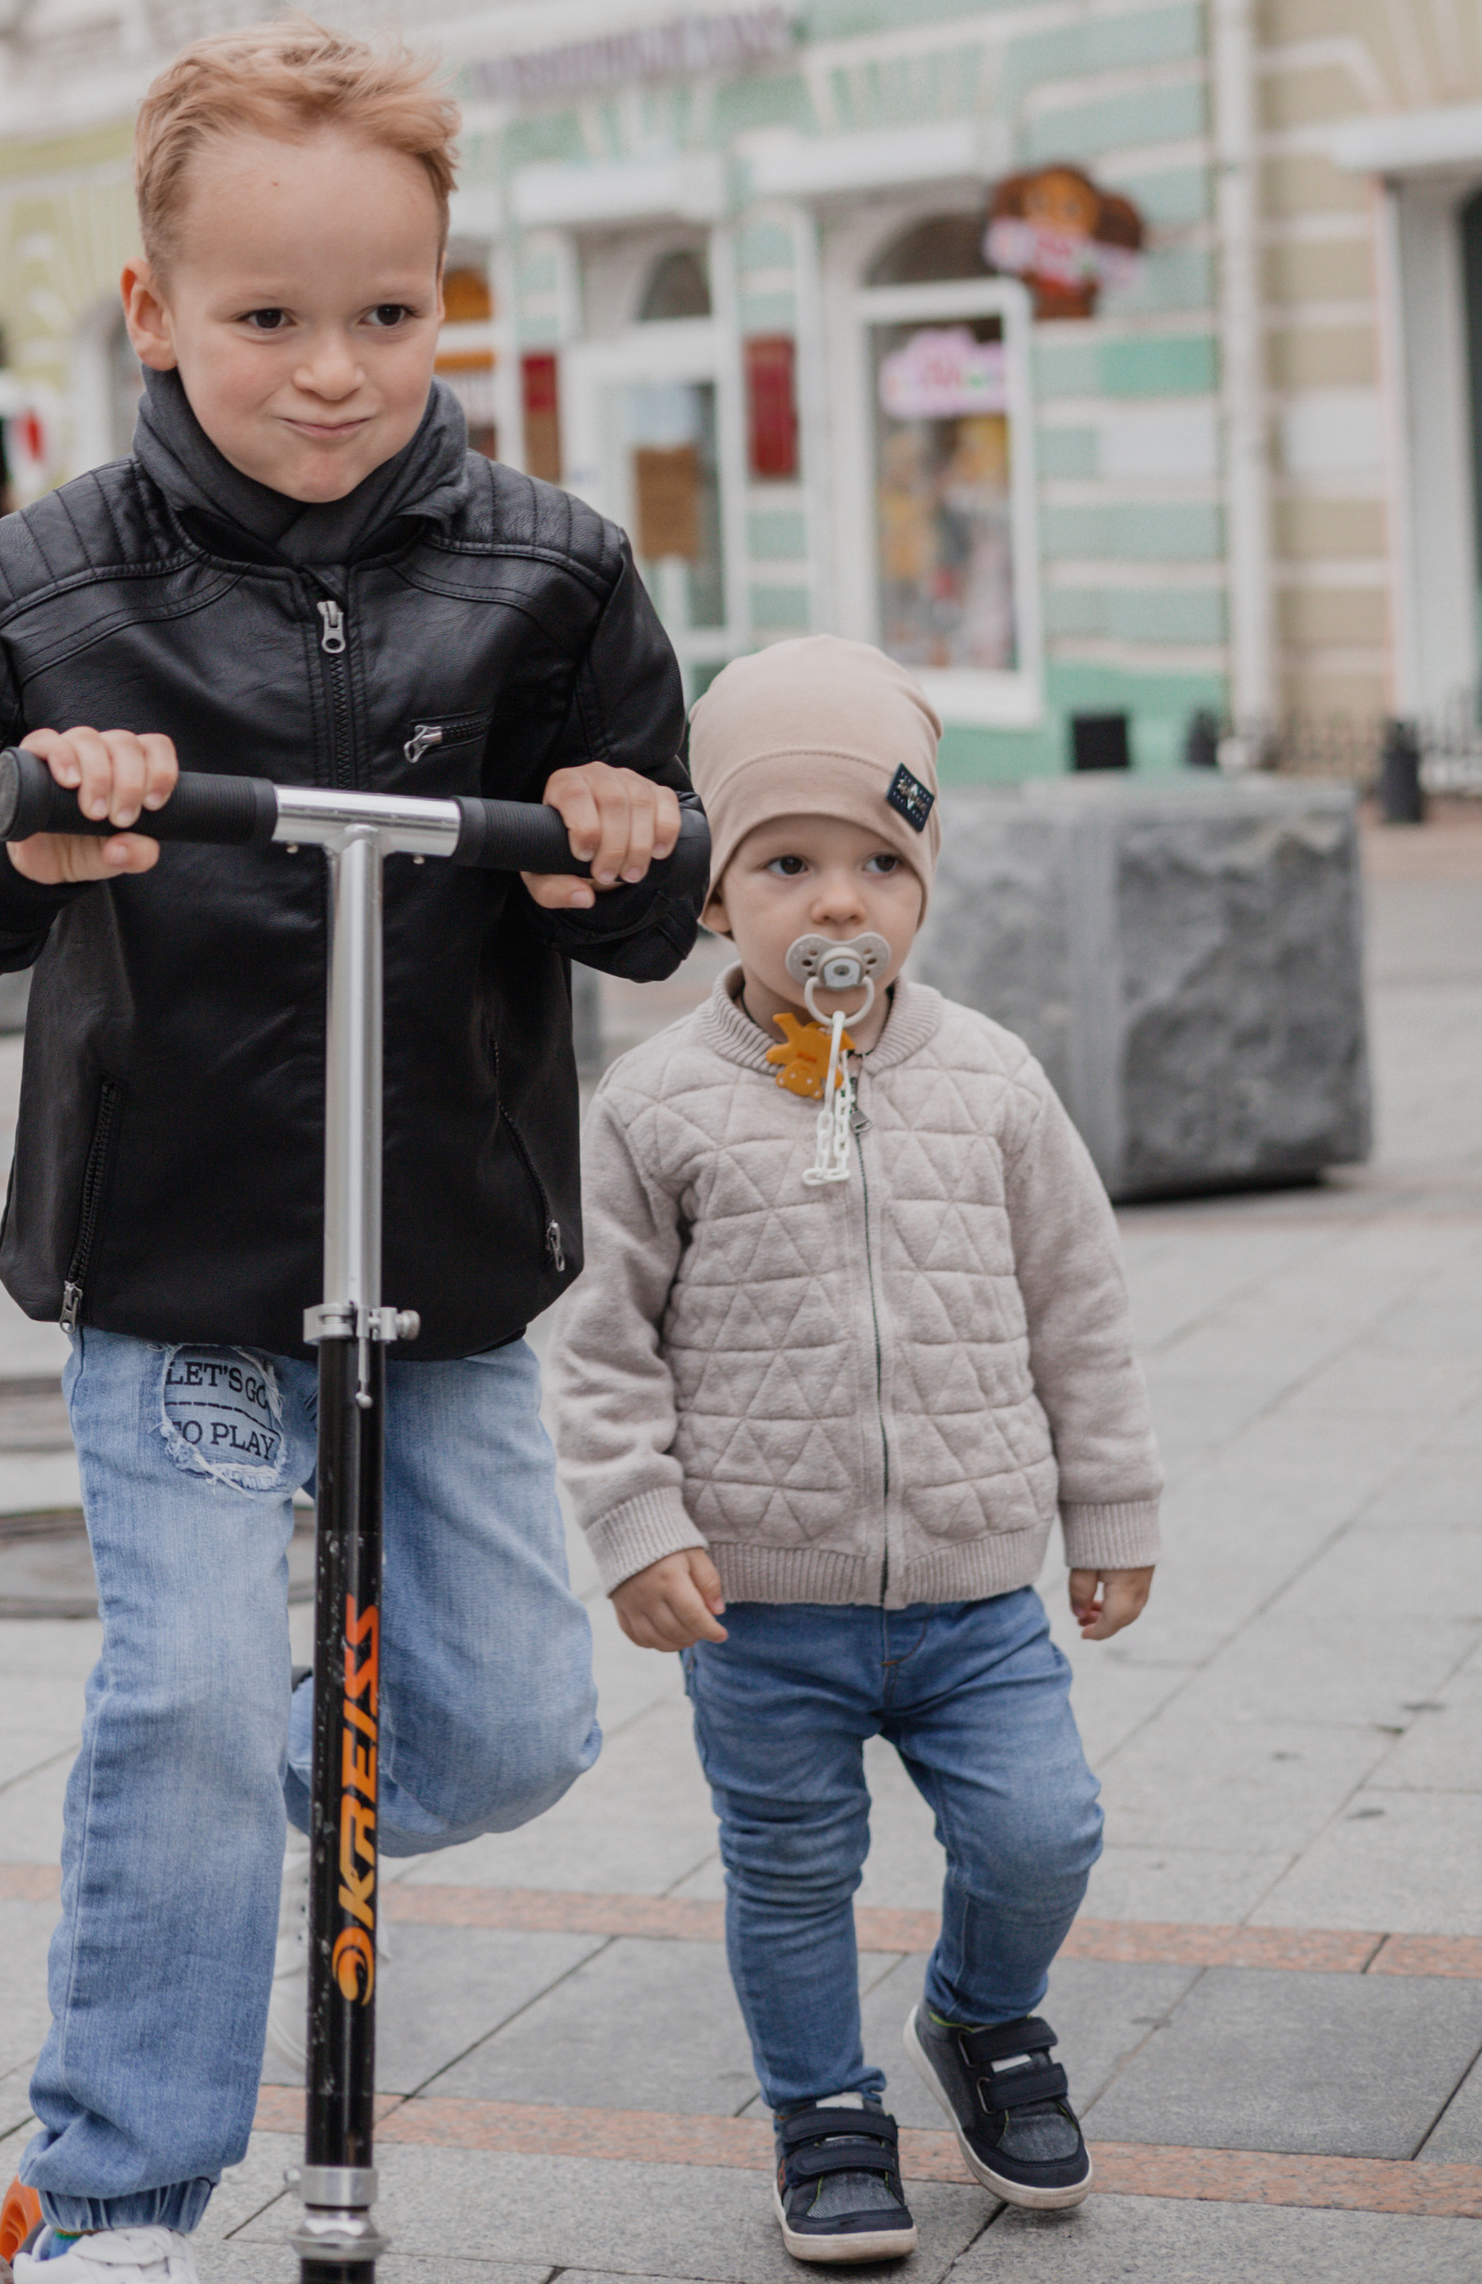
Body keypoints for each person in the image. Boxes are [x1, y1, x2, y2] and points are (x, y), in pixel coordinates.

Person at [0, 22, 706, 2284]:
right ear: (152, 309)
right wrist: (23, 823)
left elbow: (646, 890)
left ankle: (219, 1825)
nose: (332, 371)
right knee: (190, 1689)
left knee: (503, 1732)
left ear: (447, 299)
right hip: (180, 1248)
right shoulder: (40, 583)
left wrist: (615, 849)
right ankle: (104, 2193)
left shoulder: (552, 570)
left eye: (386, 315)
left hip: (449, 1252)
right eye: (265, 318)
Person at [551, 638, 1163, 2266]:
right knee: (793, 1872)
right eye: (787, 863)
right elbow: (600, 1344)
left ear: (928, 879)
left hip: (977, 1596)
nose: (840, 903)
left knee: (1046, 1831)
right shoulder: (657, 1105)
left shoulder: (994, 1086)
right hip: (763, 1612)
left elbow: (1080, 1310)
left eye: (882, 863)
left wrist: (1109, 1503)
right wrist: (634, 1522)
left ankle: (981, 2014)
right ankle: (823, 2109)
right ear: (708, 890)